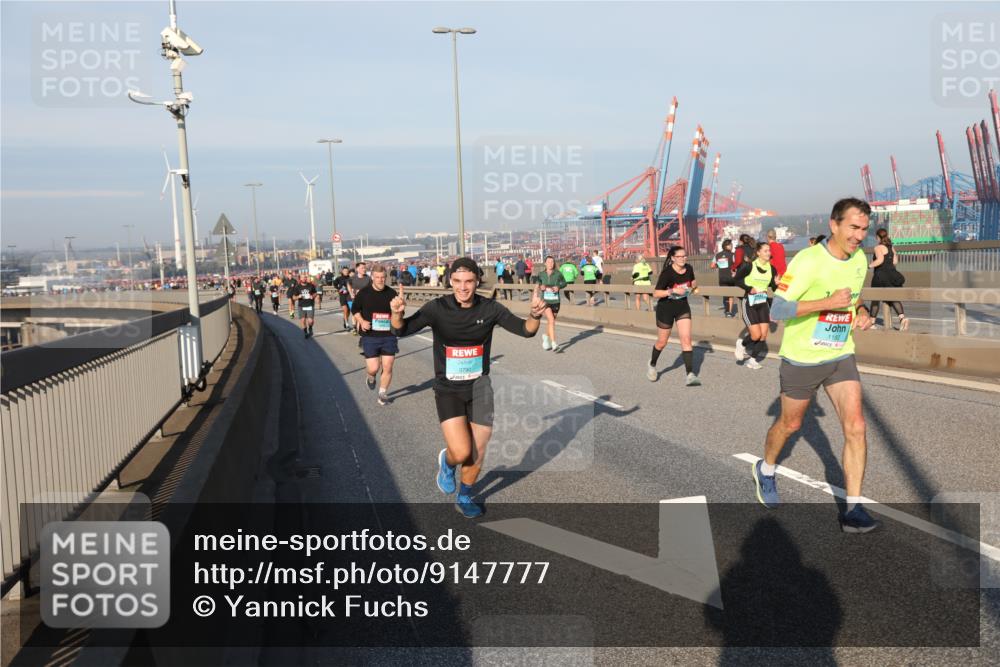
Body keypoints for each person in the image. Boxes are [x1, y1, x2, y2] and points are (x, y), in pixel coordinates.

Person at [752, 197, 878, 533]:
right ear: (834, 225)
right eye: (853, 227)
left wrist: (862, 313)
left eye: (864, 229)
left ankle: (853, 510)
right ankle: (765, 468)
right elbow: (776, 310)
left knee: (857, 427)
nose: (858, 235)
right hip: (802, 359)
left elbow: (855, 297)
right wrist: (826, 302)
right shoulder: (808, 261)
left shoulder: (859, 260)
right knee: (790, 425)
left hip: (839, 354)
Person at [390, 258, 546, 518]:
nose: (463, 288)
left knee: (478, 451)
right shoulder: (436, 308)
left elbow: (526, 330)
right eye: (458, 282)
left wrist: (534, 315)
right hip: (448, 389)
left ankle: (465, 495)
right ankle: (447, 463)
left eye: (469, 282)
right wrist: (397, 313)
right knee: (461, 451)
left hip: (480, 388)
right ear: (450, 281)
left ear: (477, 282)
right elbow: (401, 330)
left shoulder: (490, 309)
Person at [648, 245, 701, 386]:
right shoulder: (667, 273)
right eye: (679, 256)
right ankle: (652, 365)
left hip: (682, 307)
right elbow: (656, 293)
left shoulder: (688, 268)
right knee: (662, 342)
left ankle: (690, 374)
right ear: (672, 258)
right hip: (666, 308)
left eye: (684, 256)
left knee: (686, 339)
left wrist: (693, 289)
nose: (683, 258)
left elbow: (693, 283)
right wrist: (672, 291)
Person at [352, 265, 399, 406]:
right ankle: (371, 377)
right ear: (372, 277)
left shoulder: (391, 293)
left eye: (382, 277)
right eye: (377, 277)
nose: (380, 280)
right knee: (373, 368)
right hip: (370, 335)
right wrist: (361, 321)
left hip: (388, 335)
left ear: (386, 277)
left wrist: (399, 309)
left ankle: (382, 393)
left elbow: (397, 313)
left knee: (388, 366)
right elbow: (355, 309)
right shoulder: (364, 293)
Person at [734, 241, 779, 369]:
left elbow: (774, 288)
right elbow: (736, 279)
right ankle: (741, 344)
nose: (768, 253)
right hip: (749, 302)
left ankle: (752, 360)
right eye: (765, 251)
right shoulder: (749, 266)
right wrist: (749, 288)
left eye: (769, 250)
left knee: (763, 335)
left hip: (763, 303)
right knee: (756, 335)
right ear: (758, 252)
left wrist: (777, 284)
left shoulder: (772, 268)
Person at [868, 228, 909, 331]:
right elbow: (895, 262)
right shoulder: (891, 247)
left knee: (875, 299)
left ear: (878, 237)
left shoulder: (878, 247)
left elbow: (880, 260)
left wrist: (870, 265)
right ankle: (902, 319)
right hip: (891, 275)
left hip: (880, 276)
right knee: (893, 298)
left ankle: (872, 323)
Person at [532, 255, 567, 351]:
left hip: (556, 301)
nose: (550, 264)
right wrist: (541, 287)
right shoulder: (541, 274)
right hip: (545, 301)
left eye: (552, 262)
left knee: (551, 322)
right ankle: (554, 343)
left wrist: (558, 287)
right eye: (548, 262)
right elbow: (538, 283)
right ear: (545, 263)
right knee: (551, 320)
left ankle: (546, 337)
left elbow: (564, 283)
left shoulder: (558, 274)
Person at [711, 239, 737, 317]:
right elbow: (736, 265)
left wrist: (719, 265)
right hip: (731, 277)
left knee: (725, 294)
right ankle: (729, 312)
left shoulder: (717, 255)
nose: (731, 246)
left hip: (722, 277)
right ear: (726, 246)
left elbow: (712, 266)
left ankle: (726, 310)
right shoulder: (733, 255)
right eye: (730, 245)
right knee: (731, 295)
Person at [349, 262, 372, 337]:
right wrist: (351, 292)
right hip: (355, 299)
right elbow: (348, 284)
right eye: (362, 268)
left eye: (365, 268)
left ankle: (360, 333)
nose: (364, 269)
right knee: (355, 314)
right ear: (357, 269)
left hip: (365, 300)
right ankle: (354, 327)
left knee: (362, 316)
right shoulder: (353, 278)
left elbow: (372, 288)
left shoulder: (368, 278)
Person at [291, 273, 318, 338]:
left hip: (310, 305)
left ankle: (310, 328)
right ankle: (305, 332)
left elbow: (315, 293)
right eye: (302, 277)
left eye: (305, 277)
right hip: (301, 306)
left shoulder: (311, 285)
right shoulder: (297, 287)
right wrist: (298, 296)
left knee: (310, 321)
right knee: (303, 320)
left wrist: (312, 296)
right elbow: (293, 297)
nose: (304, 278)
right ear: (300, 279)